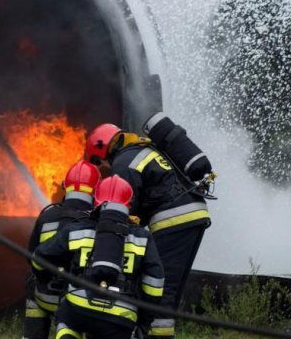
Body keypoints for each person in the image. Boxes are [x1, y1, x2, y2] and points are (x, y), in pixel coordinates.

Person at [84, 123, 211, 339]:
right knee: (170, 286)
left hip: (174, 220)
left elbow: (122, 210)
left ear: (103, 147)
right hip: (193, 214)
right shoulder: (145, 149)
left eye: (98, 160)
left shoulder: (123, 164)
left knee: (161, 289)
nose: (102, 166)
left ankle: (157, 335)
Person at [33, 175, 164, 339]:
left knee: (65, 319)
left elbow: (39, 257)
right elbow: (155, 284)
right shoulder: (143, 238)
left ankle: (68, 334)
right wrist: (143, 322)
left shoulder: (77, 230)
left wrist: (45, 278)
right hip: (120, 318)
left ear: (96, 202)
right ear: (128, 206)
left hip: (78, 308)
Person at [22, 159, 99, 339]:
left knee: (32, 280)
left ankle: (34, 334)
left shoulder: (47, 216)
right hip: (79, 301)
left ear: (66, 187)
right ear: (96, 190)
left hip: (45, 295)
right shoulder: (97, 222)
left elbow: (31, 256)